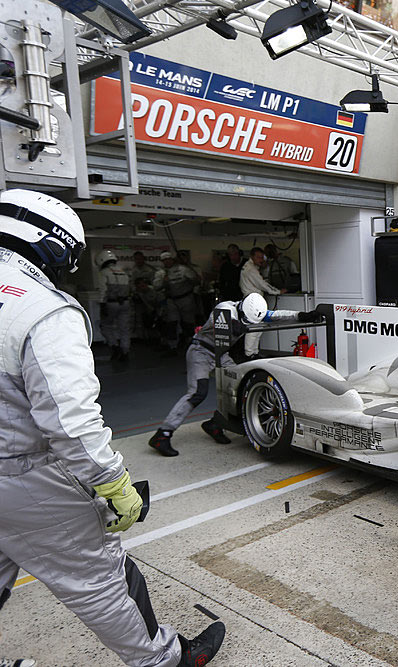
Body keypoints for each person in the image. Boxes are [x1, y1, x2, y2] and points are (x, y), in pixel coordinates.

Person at [0, 189, 226, 666]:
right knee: (101, 579)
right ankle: (166, 659)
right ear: (52, 247)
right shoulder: (40, 308)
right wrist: (112, 481)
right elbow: (70, 419)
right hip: (23, 478)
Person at [148, 294, 322, 456]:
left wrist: (302, 315)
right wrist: (237, 326)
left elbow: (278, 315)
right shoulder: (225, 308)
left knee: (240, 388)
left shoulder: (251, 311)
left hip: (222, 354)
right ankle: (163, 434)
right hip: (200, 351)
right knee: (197, 393)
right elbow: (224, 320)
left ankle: (216, 423)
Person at [240, 246, 286, 358]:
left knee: (259, 328)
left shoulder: (251, 267)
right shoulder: (250, 269)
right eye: (258, 257)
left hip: (254, 301)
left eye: (262, 257)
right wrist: (278, 291)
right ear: (252, 257)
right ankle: (250, 354)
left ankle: (254, 352)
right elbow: (263, 284)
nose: (261, 260)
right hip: (252, 302)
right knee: (254, 328)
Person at [156, 250, 201, 355]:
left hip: (186, 298)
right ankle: (173, 346)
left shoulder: (183, 269)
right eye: (164, 260)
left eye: (168, 259)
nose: (167, 262)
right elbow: (156, 286)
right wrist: (164, 281)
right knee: (172, 323)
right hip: (171, 300)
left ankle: (191, 344)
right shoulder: (160, 273)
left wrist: (192, 277)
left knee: (188, 323)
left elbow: (196, 281)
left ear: (172, 259)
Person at [95, 249, 133, 362]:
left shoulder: (104, 273)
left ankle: (115, 347)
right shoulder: (123, 272)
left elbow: (103, 290)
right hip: (125, 303)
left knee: (105, 326)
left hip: (111, 303)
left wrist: (102, 305)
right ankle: (125, 351)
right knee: (124, 329)